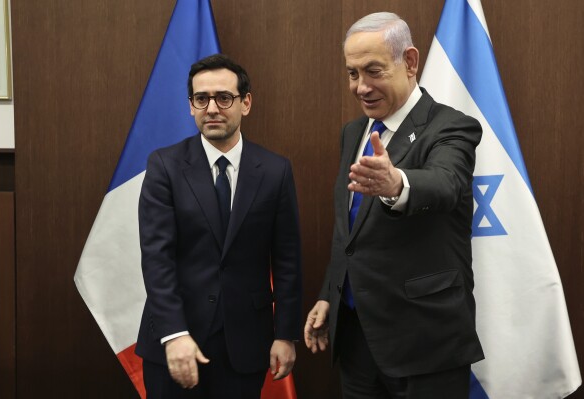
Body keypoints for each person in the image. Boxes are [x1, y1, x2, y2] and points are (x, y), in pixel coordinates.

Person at [304, 12, 484, 399]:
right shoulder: (354, 132)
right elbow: (348, 232)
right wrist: (328, 294)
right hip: (356, 341)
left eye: (373, 71)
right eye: (352, 73)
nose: (361, 87)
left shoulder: (451, 126)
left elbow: (445, 184)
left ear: (410, 61)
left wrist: (396, 183)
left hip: (424, 345)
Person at [135, 53, 303, 399]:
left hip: (245, 345)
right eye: (201, 99)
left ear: (246, 103)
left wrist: (285, 334)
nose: (212, 108)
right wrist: (174, 333)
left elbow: (287, 259)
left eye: (224, 98)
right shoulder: (165, 166)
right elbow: (156, 258)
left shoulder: (275, 171)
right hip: (175, 343)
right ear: (191, 106)